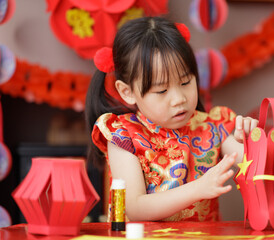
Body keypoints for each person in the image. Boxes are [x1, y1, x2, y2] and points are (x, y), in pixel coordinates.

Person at [85, 16, 258, 222]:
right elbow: (134, 207)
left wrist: (252, 142)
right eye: (162, 90)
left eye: (185, 82)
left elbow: (259, 166)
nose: (179, 99)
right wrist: (198, 189)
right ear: (127, 91)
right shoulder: (124, 136)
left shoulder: (211, 126)